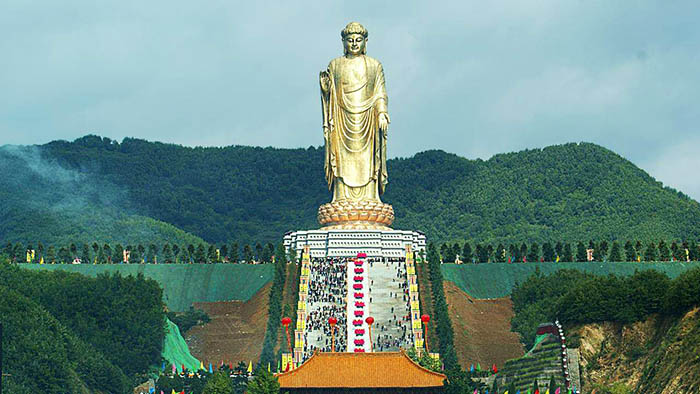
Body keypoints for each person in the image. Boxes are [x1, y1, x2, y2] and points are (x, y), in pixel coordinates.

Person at [320, 22, 390, 203]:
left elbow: (380, 93)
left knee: (369, 160)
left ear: (365, 42)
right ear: (343, 42)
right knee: (341, 159)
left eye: (358, 40)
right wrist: (326, 90)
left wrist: (382, 112)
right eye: (349, 40)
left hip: (368, 121)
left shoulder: (374, 66)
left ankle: (371, 196)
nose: (354, 44)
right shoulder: (335, 65)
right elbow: (331, 94)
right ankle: (341, 197)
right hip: (342, 120)